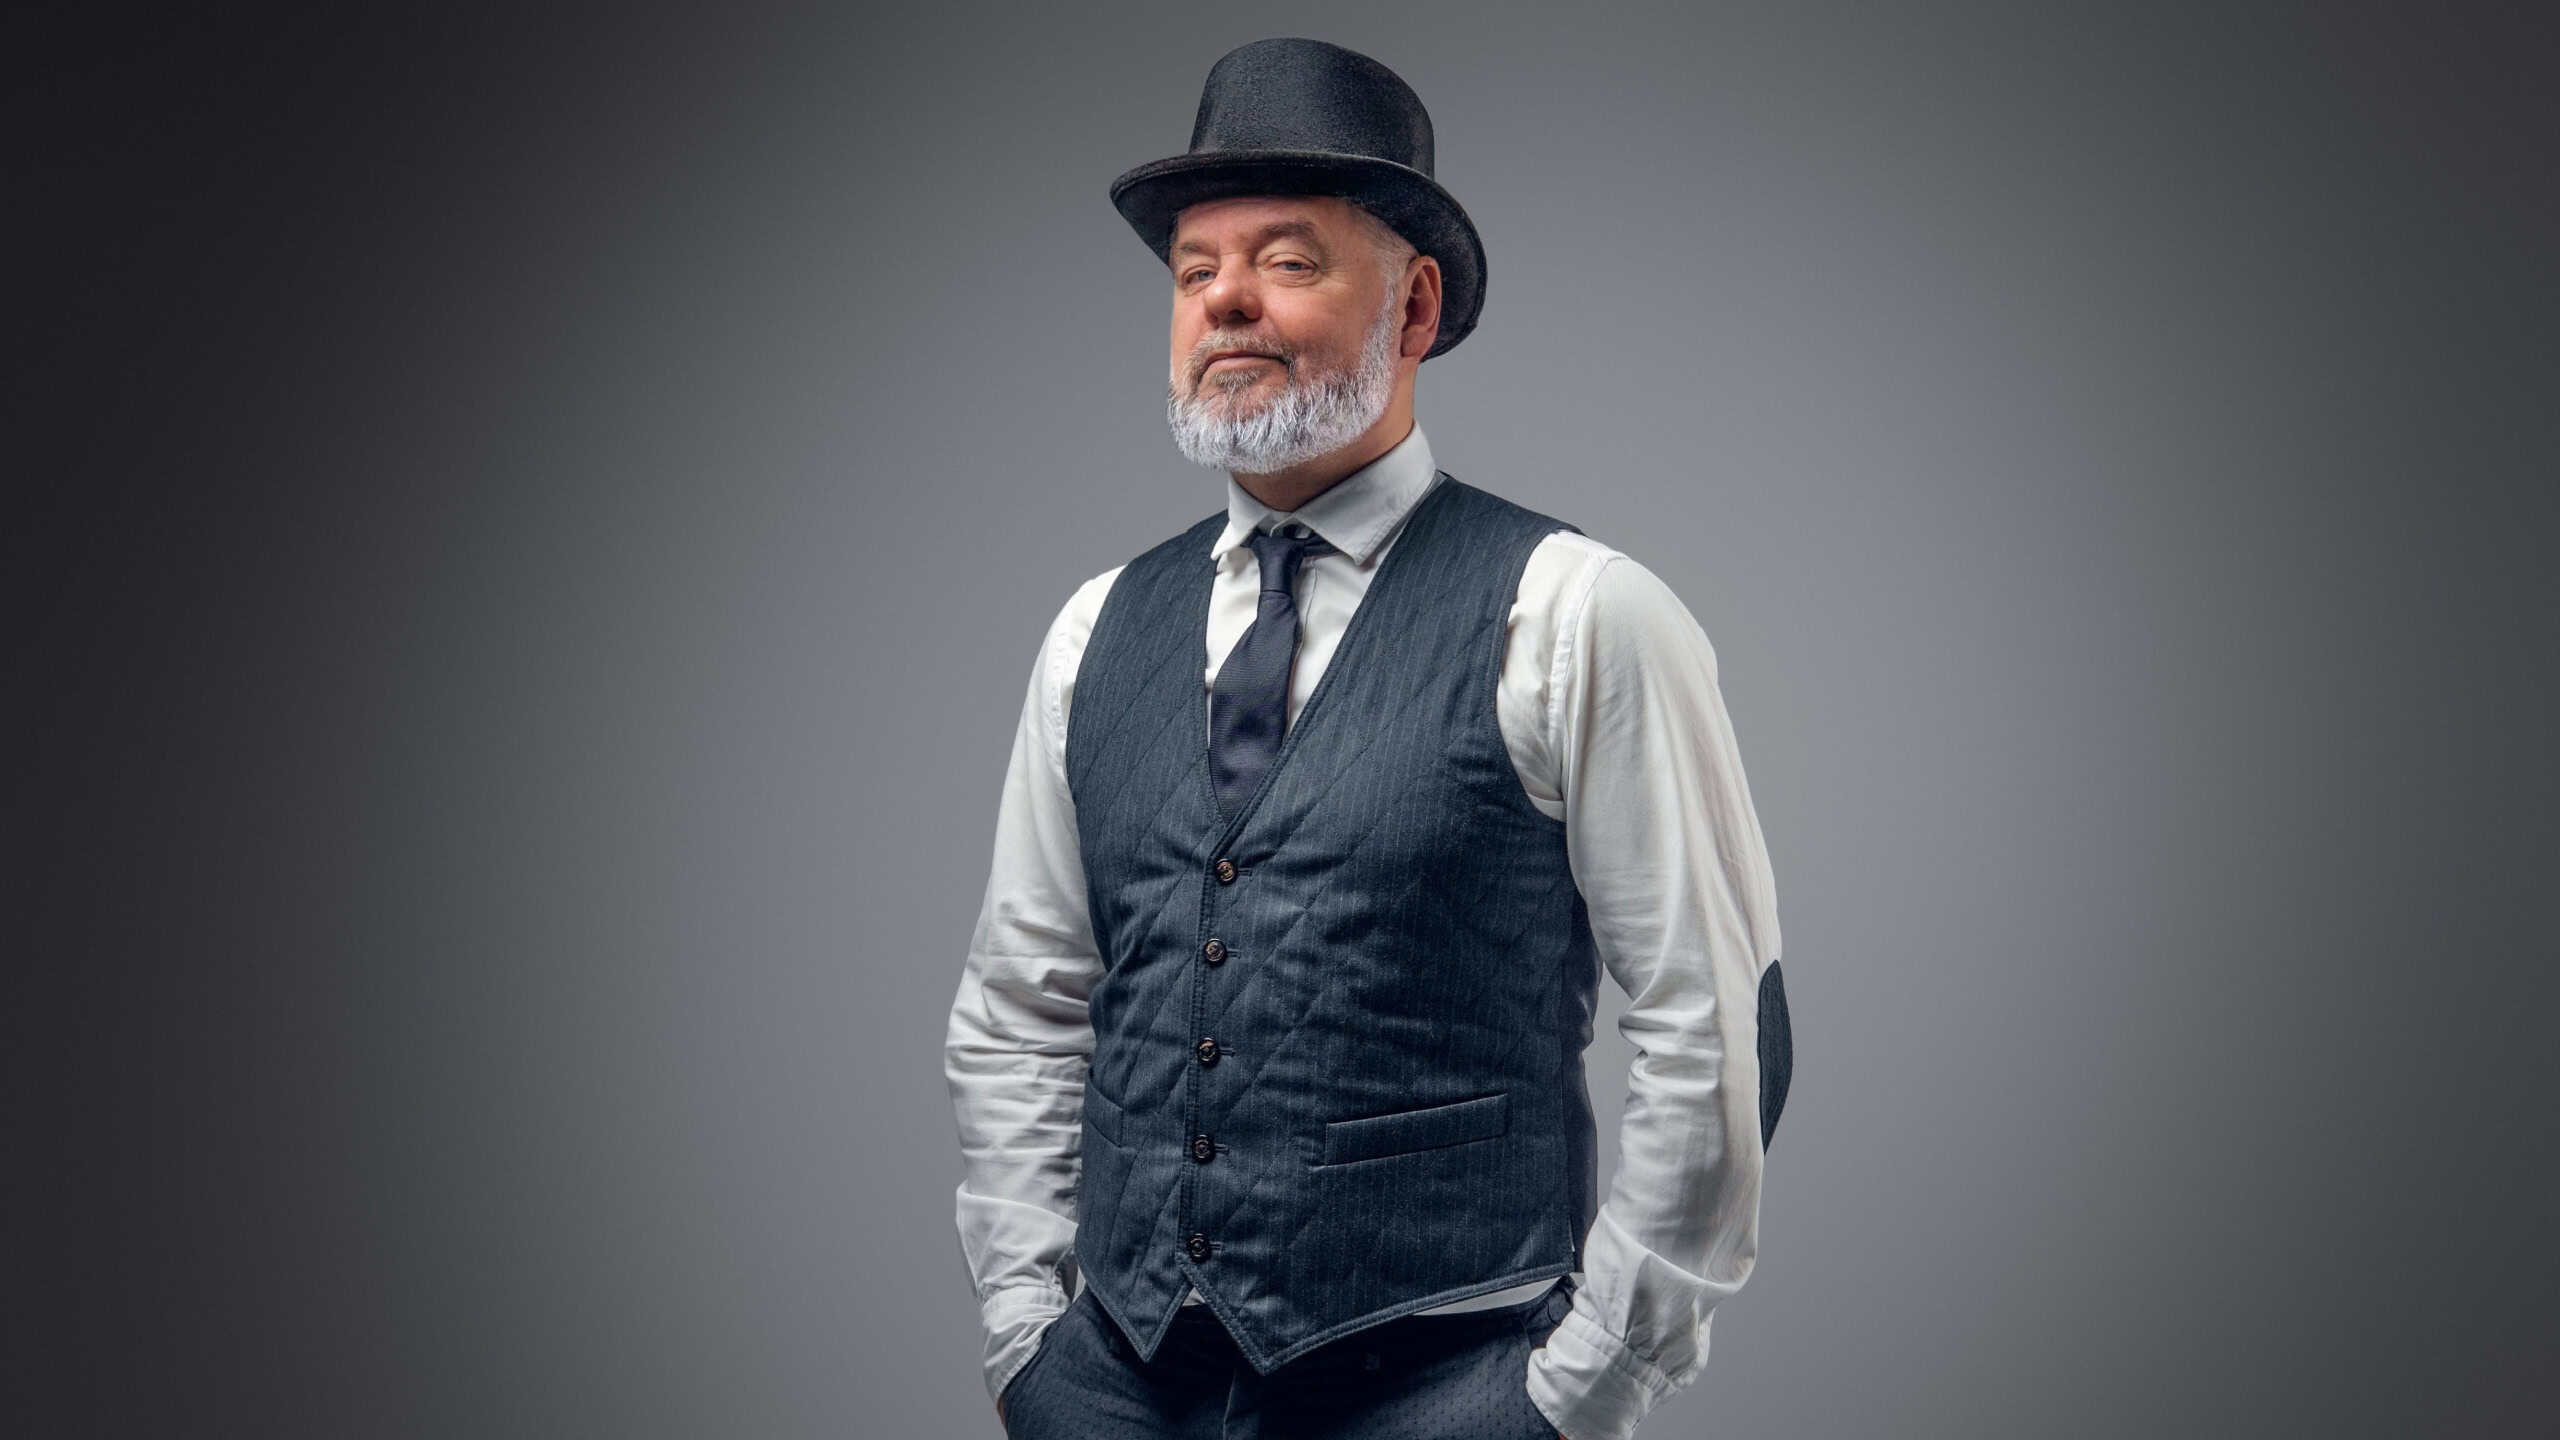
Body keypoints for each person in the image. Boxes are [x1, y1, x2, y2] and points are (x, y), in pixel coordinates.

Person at [943, 37, 1790, 1440]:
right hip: (1116, 1390)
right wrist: (1026, 1338)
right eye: (1193, 271)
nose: (1225, 299)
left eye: (1286, 260)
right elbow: (1020, 1006)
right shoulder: (1096, 631)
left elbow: (1721, 1026)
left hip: (1448, 1389)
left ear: (1415, 305)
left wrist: (1582, 1390)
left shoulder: (1578, 614)